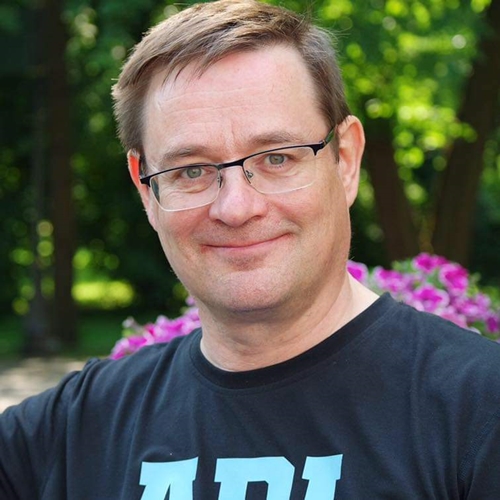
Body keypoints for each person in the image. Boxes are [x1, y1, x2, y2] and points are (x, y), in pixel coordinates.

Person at [1, 0, 500, 498]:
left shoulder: (478, 412)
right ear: (146, 190)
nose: (236, 208)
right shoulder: (68, 435)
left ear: (345, 160)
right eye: (191, 170)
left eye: (277, 158)